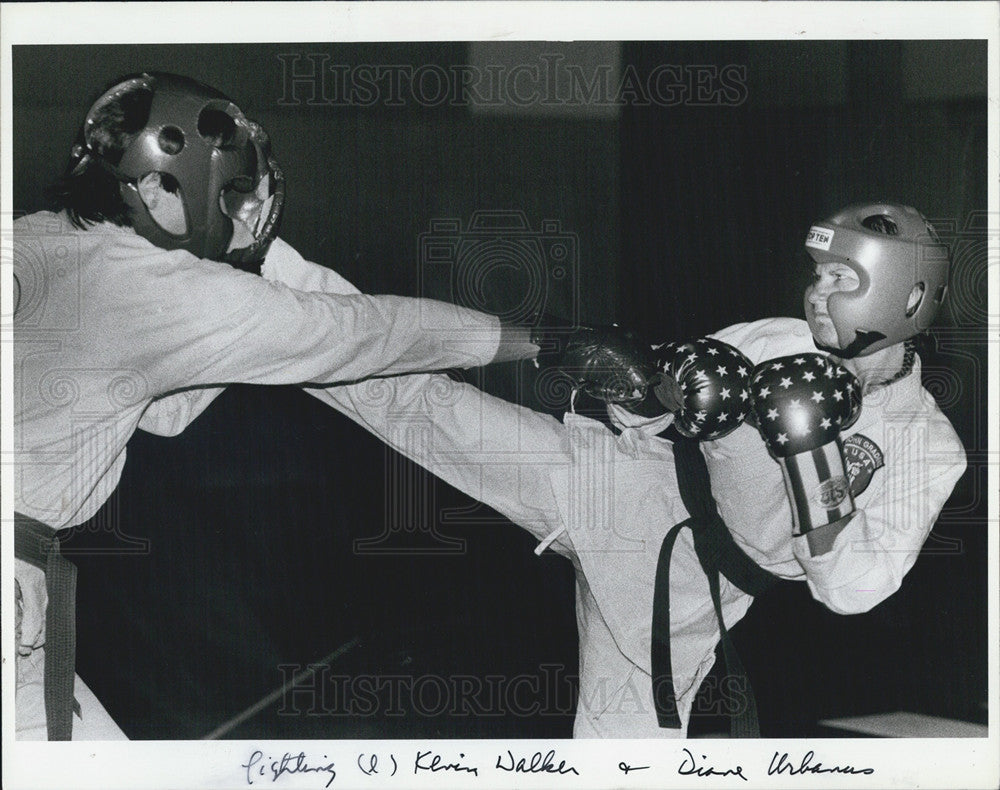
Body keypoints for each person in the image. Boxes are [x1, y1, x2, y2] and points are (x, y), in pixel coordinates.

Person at [234, 201, 965, 738]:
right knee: (419, 404)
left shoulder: (928, 446)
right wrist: (649, 391)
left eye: (841, 278)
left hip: (684, 593)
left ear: (901, 296)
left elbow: (854, 592)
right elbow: (653, 413)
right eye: (817, 273)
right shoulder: (777, 337)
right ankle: (263, 265)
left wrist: (812, 458)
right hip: (612, 479)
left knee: (619, 769)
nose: (816, 292)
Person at [11, 71, 545, 740]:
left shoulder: (36, 237)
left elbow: (160, 412)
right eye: (228, 194)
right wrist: (534, 341)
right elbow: (362, 333)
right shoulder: (154, 287)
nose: (238, 215)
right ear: (157, 188)